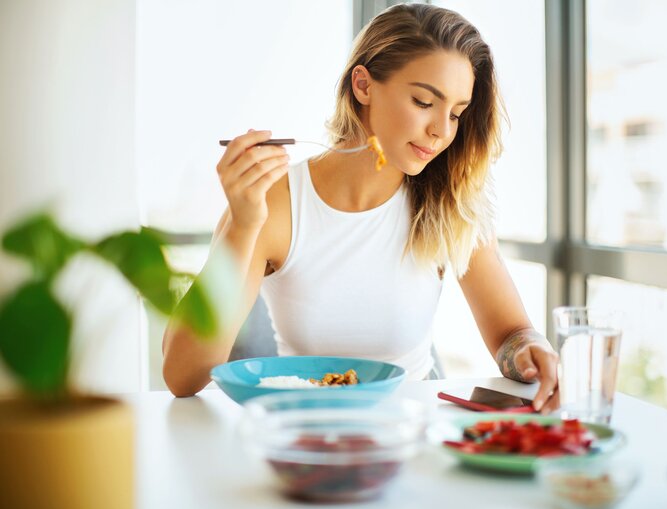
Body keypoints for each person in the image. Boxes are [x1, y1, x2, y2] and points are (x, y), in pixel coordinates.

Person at [162, 3, 560, 412]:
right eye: (424, 102)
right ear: (363, 85)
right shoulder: (276, 202)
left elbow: (512, 333)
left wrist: (531, 350)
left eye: (456, 114)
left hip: (412, 433)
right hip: (306, 430)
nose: (442, 131)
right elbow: (182, 376)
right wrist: (242, 227)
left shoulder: (452, 206)